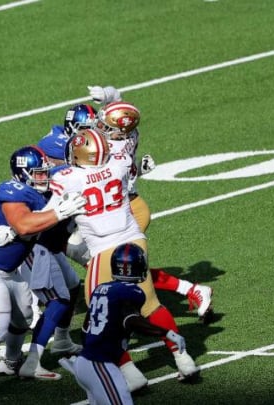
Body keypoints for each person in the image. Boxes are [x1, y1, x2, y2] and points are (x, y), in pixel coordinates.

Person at [48, 127, 201, 384]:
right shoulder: (119, 162)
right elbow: (124, 161)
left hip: (103, 249)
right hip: (133, 240)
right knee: (150, 304)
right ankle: (184, 359)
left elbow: (51, 211)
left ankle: (130, 374)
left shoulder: (67, 177)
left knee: (100, 316)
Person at [0, 146, 88, 404]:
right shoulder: (12, 191)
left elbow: (37, 227)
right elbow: (24, 223)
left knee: (23, 319)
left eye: (45, 173)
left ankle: (10, 362)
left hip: (11, 269)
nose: (44, 178)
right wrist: (58, 213)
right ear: (21, 174)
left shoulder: (45, 190)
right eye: (37, 174)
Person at [87, 87, 214, 322]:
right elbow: (119, 101)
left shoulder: (113, 152)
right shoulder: (126, 135)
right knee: (109, 267)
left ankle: (189, 291)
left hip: (125, 210)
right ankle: (190, 290)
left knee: (116, 267)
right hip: (117, 207)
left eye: (106, 127)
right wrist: (108, 96)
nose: (100, 127)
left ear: (119, 131)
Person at [61, 242, 188, 405]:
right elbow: (131, 320)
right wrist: (167, 333)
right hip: (100, 365)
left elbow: (86, 331)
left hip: (88, 363)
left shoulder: (101, 288)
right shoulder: (133, 291)